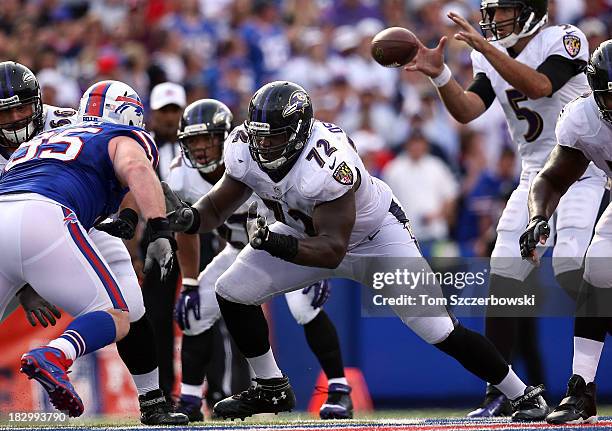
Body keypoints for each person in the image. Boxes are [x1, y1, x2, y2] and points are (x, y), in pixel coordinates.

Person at [163, 80, 548, 421]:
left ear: (298, 133)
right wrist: (187, 220)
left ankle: (521, 394)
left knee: (438, 329)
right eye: (260, 136)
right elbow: (216, 207)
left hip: (376, 239)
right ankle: (270, 386)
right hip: (299, 232)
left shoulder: (327, 162)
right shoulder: (245, 148)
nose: (264, 145)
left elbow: (332, 250)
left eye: (275, 137)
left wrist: (273, 241)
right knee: (232, 291)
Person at [404, 0, 607, 416]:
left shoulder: (565, 39)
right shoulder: (488, 54)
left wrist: (488, 49)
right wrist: (440, 74)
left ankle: (581, 382)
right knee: (505, 276)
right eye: (491, 13)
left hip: (583, 168)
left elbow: (539, 86)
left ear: (531, 11)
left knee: (574, 272)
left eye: (501, 12)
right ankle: (505, 391)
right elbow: (467, 110)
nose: (492, 21)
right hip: (537, 175)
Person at [0, 76, 187, 425]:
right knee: (120, 314)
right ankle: (57, 354)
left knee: (132, 309)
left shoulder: (55, 129)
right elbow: (135, 167)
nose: (13, 121)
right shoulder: (122, 135)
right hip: (54, 215)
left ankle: (152, 401)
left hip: (30, 211)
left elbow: (128, 177)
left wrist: (129, 216)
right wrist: (160, 230)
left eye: (21, 109)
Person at [169, 98, 353, 420]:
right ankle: (189, 400)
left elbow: (304, 212)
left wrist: (316, 267)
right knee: (196, 312)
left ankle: (339, 389)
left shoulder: (254, 159)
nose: (200, 149)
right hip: (235, 250)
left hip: (280, 244)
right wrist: (189, 279)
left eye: (207, 139)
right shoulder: (181, 177)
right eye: (193, 140)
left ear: (226, 137)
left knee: (305, 307)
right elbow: (187, 228)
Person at [521, 40, 612, 425]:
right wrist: (538, 216)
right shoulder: (583, 118)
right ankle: (582, 390)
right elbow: (552, 178)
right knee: (598, 270)